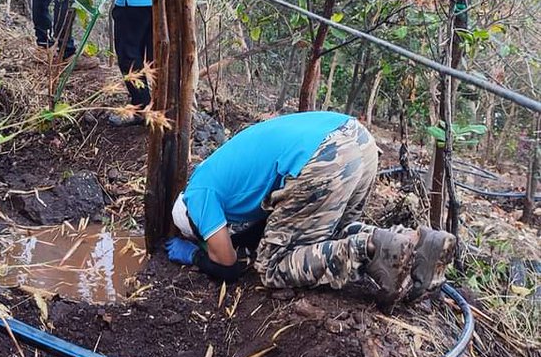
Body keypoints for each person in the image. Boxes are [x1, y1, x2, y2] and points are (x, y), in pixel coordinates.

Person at [166, 111, 455, 307]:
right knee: (333, 232)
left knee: (271, 266)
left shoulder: (197, 197)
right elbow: (259, 229)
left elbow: (227, 264)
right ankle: (415, 244)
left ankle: (369, 247)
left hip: (321, 157)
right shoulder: (215, 172)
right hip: (357, 139)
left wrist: (194, 255)